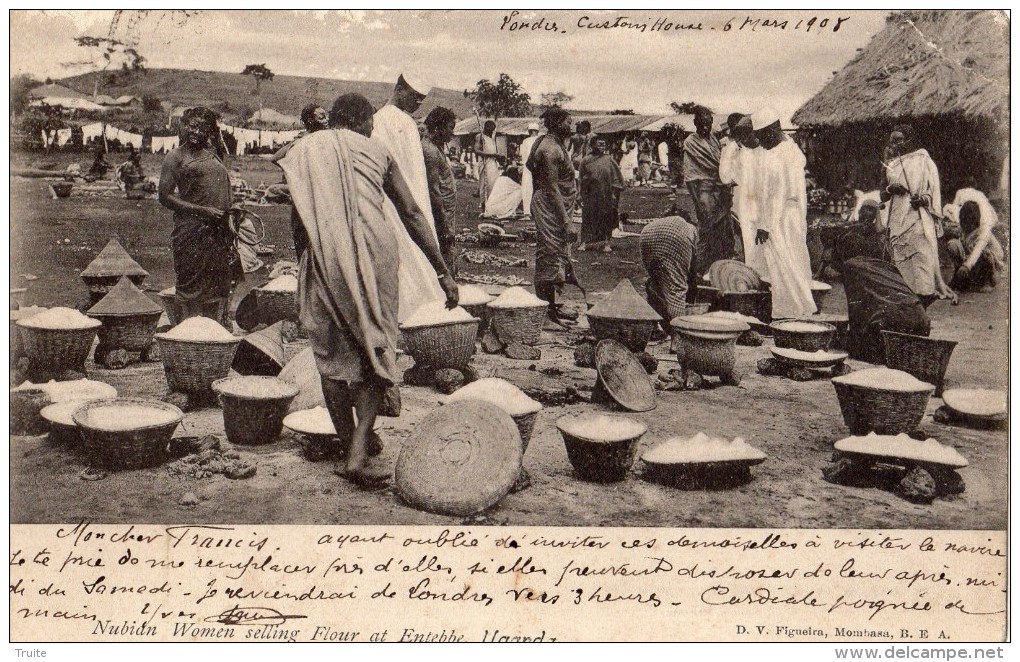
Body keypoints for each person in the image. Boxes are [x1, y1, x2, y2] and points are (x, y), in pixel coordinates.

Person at [279, 93, 458, 486]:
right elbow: (412, 213)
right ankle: (358, 451)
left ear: (334, 121)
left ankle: (348, 442)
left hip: (322, 257)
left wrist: (311, 263)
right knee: (375, 348)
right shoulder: (378, 152)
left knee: (330, 358)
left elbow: (299, 218)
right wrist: (442, 272)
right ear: (366, 124)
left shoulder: (306, 151)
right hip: (376, 257)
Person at [372, 74, 445, 320]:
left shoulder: (398, 121)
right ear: (399, 89)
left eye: (422, 100)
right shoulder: (385, 120)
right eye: (415, 97)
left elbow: (415, 172)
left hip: (405, 198)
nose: (418, 104)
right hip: (398, 199)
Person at [158, 107, 238, 326]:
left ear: (210, 132)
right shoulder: (175, 157)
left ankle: (211, 334)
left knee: (216, 284)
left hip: (219, 231)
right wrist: (203, 211)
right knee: (191, 284)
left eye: (202, 128)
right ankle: (189, 334)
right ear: (183, 127)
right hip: (192, 230)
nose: (196, 132)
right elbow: (164, 197)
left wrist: (232, 211)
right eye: (192, 126)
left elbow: (221, 187)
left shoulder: (213, 155)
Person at [832, 216, 930, 364]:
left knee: (854, 348)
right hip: (921, 322)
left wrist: (854, 341)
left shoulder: (851, 266)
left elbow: (856, 310)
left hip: (894, 324)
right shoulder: (884, 264)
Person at [749, 108, 816, 318]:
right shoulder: (787, 150)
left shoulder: (784, 154)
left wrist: (765, 225)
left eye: (761, 136)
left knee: (785, 264)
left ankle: (791, 311)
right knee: (789, 262)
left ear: (772, 130)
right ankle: (793, 309)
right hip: (786, 216)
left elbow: (777, 194)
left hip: (781, 218)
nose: (759, 142)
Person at [880, 124, 955, 305]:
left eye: (899, 140)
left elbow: (933, 191)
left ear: (909, 141)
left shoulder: (923, 160)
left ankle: (924, 298)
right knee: (902, 267)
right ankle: (910, 305)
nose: (895, 144)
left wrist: (922, 200)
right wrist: (891, 188)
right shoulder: (891, 164)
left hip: (918, 219)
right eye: (892, 141)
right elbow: (882, 194)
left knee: (922, 263)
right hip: (898, 222)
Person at [527, 107, 578, 328]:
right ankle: (546, 315)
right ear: (557, 123)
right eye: (568, 122)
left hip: (554, 206)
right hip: (550, 207)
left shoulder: (551, 144)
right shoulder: (549, 149)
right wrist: (566, 222)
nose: (571, 126)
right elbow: (551, 188)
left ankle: (551, 306)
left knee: (555, 255)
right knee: (548, 256)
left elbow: (531, 166)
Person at [684, 106, 734, 279]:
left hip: (721, 190)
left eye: (708, 123)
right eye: (701, 123)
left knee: (725, 232)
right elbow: (690, 177)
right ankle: (701, 270)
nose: (705, 127)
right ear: (695, 123)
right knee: (706, 231)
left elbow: (722, 165)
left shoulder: (714, 139)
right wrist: (697, 204)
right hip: (704, 192)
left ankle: (722, 270)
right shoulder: (690, 142)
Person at [719, 114, 762, 271]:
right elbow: (724, 176)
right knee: (747, 233)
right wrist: (739, 180)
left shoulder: (754, 146)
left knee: (759, 229)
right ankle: (751, 268)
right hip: (742, 196)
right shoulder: (731, 148)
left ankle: (758, 268)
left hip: (757, 195)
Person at [640, 214, 698, 330]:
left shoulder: (660, 221)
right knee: (677, 289)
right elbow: (693, 267)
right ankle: (679, 334)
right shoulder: (690, 228)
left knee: (655, 284)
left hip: (646, 234)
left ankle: (654, 327)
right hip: (674, 238)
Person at [421, 106, 458, 274]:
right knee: (444, 252)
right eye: (450, 128)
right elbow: (434, 191)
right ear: (438, 127)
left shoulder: (437, 148)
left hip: (446, 211)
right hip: (440, 213)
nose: (452, 133)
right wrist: (444, 225)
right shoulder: (430, 151)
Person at [945, 198, 1004, 292]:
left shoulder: (984, 231)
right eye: (964, 220)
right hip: (971, 263)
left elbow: (978, 250)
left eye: (969, 221)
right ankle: (961, 279)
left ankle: (987, 282)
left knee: (986, 254)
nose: (967, 224)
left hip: (992, 266)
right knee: (952, 244)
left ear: (975, 220)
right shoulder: (964, 230)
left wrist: (966, 266)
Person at [577, 136, 624, 253]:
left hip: (606, 194)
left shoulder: (609, 160)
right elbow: (580, 178)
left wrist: (614, 194)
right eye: (599, 144)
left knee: (606, 218)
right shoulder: (586, 160)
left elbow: (617, 178)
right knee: (587, 218)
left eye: (603, 144)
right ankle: (584, 243)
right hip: (590, 194)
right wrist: (579, 194)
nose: (602, 147)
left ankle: (606, 243)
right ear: (593, 146)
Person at [474, 119, 500, 208]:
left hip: (493, 164)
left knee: (493, 184)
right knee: (484, 184)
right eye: (491, 129)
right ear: (486, 128)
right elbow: (476, 150)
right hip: (485, 163)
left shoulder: (491, 138)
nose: (492, 131)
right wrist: (490, 155)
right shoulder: (480, 137)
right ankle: (483, 204)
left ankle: (491, 204)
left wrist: (497, 156)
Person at [519, 123, 541, 219]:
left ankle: (527, 213)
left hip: (527, 167)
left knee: (527, 189)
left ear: (529, 131)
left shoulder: (525, 141)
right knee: (538, 189)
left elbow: (522, 155)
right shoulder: (540, 140)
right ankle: (537, 212)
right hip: (538, 167)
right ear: (537, 131)